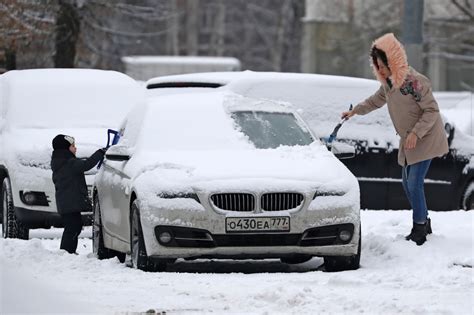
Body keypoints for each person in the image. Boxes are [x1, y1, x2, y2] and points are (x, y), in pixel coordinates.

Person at [341, 33, 448, 246]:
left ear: (394, 60)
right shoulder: (389, 84)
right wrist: (355, 112)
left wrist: (416, 133)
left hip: (425, 137)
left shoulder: (414, 82)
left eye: (384, 64)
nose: (380, 70)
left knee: (414, 183)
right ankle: (424, 221)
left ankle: (419, 228)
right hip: (409, 139)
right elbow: (376, 100)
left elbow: (432, 110)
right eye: (377, 66)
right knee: (407, 184)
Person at [51, 134, 106, 254]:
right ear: (65, 149)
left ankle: (68, 251)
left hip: (67, 203)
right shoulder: (69, 163)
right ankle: (66, 251)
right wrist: (100, 153)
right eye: (72, 146)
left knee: (74, 226)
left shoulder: (60, 162)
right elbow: (87, 165)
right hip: (69, 204)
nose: (75, 148)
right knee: (73, 227)